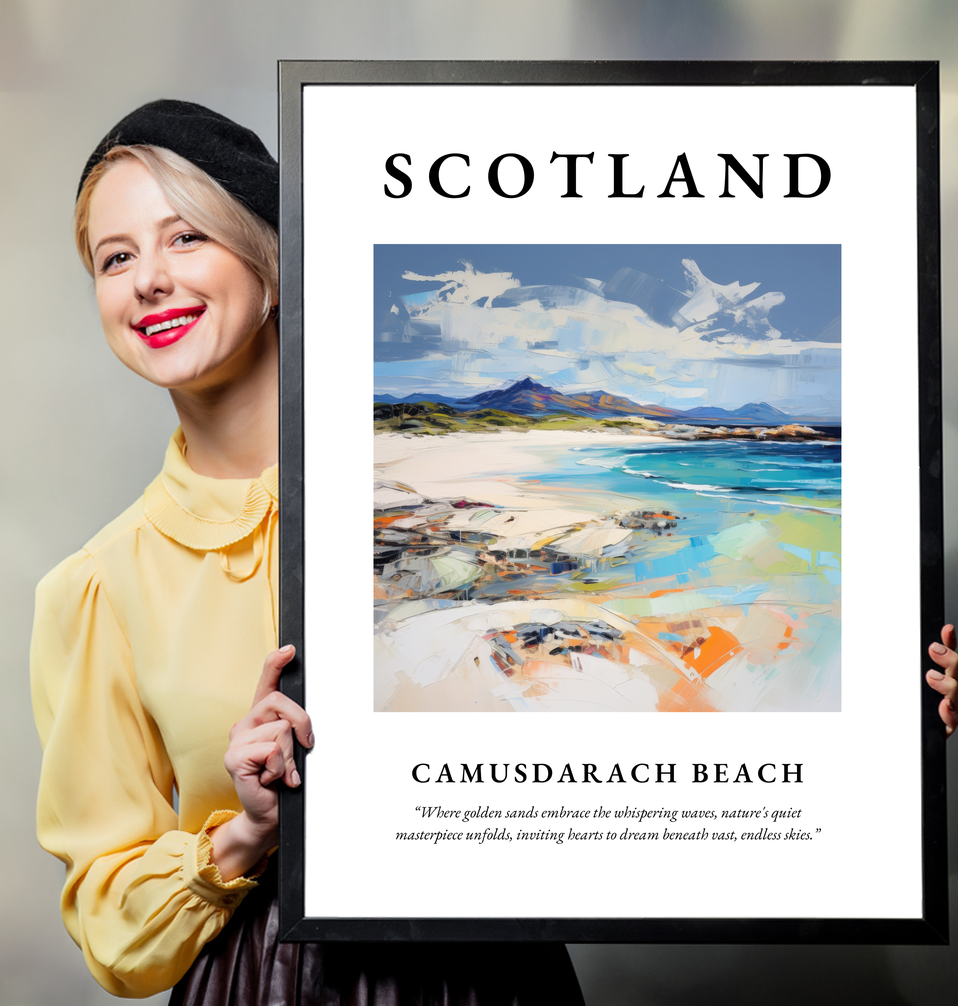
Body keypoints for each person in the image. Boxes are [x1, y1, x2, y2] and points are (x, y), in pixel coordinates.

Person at [30, 100, 586, 1004]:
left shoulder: (449, 501)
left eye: (185, 239)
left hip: (493, 973)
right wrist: (245, 832)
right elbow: (110, 924)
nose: (148, 281)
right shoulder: (98, 587)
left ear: (273, 263)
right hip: (263, 982)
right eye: (116, 257)